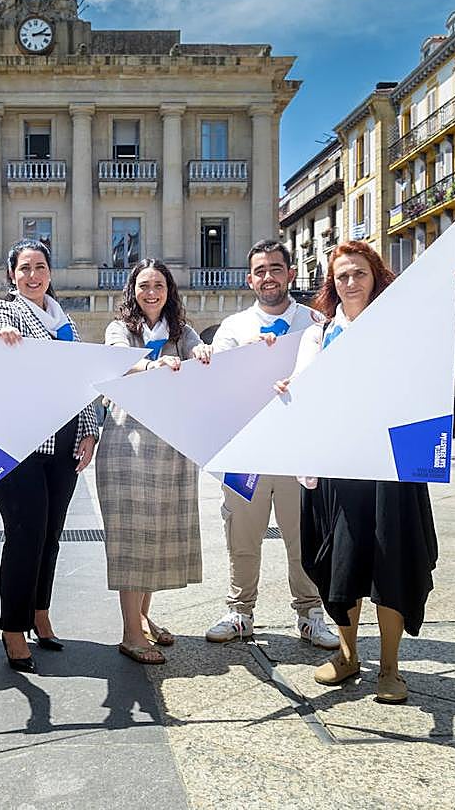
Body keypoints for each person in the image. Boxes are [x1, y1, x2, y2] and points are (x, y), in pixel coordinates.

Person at [275, 240, 455, 704]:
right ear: (331, 284)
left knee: (391, 561)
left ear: (375, 277)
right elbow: (304, 389)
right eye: (341, 276)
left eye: (359, 273)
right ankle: (347, 655)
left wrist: (447, 300)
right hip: (338, 468)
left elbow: (428, 354)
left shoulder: (398, 329)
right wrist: (290, 388)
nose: (350, 283)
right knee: (340, 563)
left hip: (390, 470)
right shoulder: (318, 337)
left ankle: (389, 667)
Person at [191, 240, 340, 651]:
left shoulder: (315, 321)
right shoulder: (233, 328)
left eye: (276, 268)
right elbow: (217, 385)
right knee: (242, 535)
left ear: (291, 274)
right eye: (260, 270)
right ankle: (240, 611)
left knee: (303, 537)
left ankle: (310, 613)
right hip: (247, 449)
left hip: (299, 451)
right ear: (249, 278)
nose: (268, 276)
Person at [0, 239, 98, 673]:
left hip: (65, 441)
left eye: (40, 268)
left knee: (51, 534)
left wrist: (89, 432)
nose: (33, 276)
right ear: (12, 274)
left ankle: (40, 613)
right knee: (25, 534)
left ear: (50, 272)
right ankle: (13, 630)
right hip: (21, 445)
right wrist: (2, 338)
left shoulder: (63, 319)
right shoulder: (6, 312)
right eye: (25, 268)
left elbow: (82, 380)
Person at [96, 259, 202, 665]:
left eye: (158, 284)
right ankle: (130, 634)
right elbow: (120, 359)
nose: (152, 292)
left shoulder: (182, 331)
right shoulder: (119, 329)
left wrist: (203, 352)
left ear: (168, 290)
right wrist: (152, 364)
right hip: (128, 441)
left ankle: (142, 617)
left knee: (155, 531)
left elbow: (197, 350)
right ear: (133, 291)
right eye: (144, 285)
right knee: (132, 535)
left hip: (169, 443)